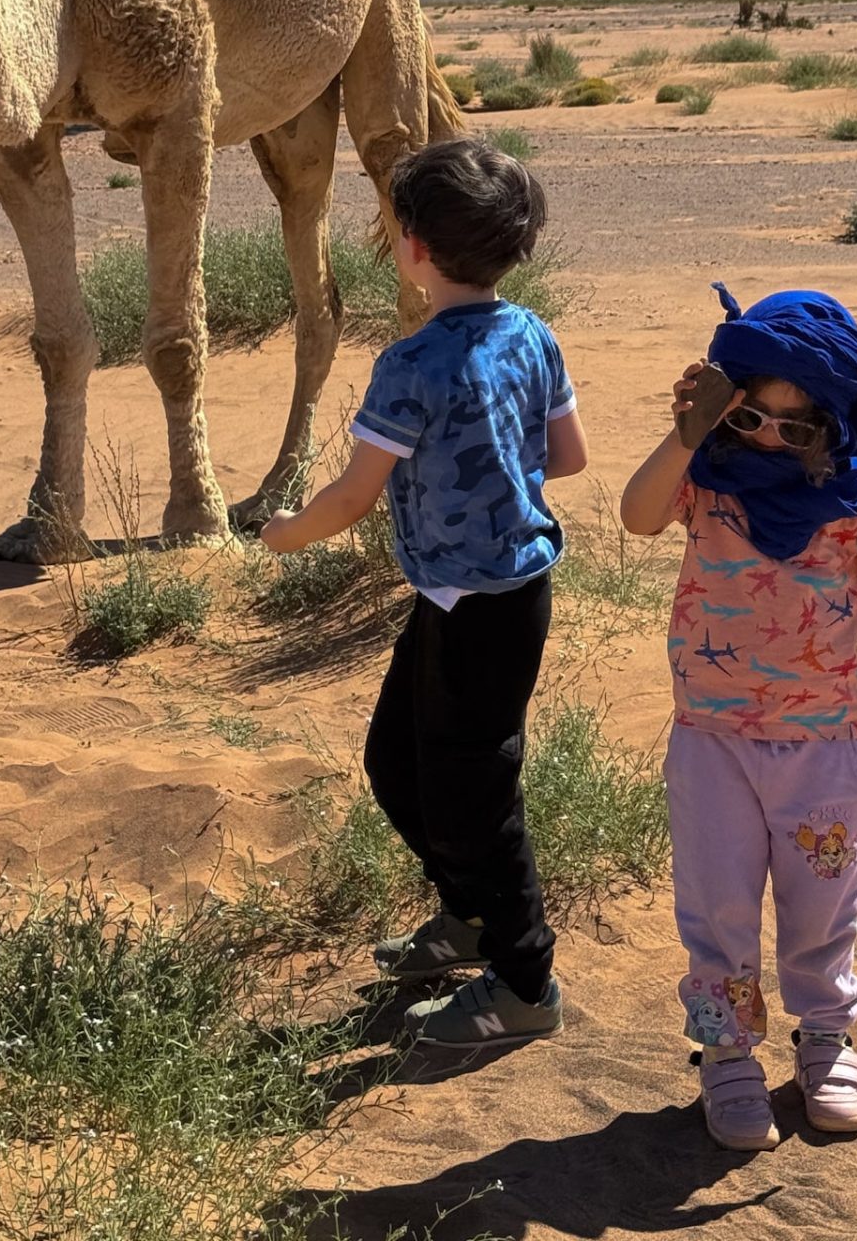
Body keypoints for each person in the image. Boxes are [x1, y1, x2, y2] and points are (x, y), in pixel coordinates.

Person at [620, 283, 857, 1150]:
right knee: (717, 906)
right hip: (711, 741)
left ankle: (824, 1037)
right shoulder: (704, 484)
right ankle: (727, 1052)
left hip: (821, 745)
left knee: (824, 903)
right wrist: (688, 435)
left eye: (796, 424)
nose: (770, 440)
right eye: (750, 420)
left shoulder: (853, 499)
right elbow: (634, 517)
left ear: (834, 424)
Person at [261, 137, 589, 1048]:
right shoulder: (530, 334)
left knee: (476, 795)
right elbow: (567, 457)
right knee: (397, 762)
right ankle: (469, 918)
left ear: (410, 246)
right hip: (483, 596)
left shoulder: (412, 365)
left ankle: (524, 983)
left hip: (480, 606)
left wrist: (285, 533)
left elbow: (352, 495)